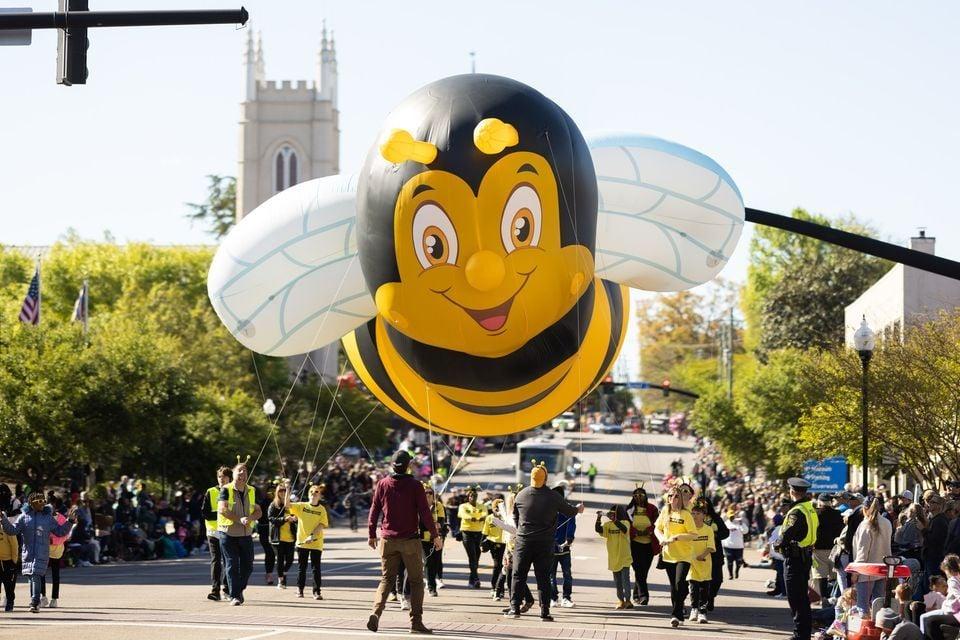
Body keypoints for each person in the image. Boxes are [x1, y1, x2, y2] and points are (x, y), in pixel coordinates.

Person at [367, 450, 439, 635]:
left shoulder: (383, 484)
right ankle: (416, 623)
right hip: (409, 541)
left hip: (387, 540)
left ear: (392, 465)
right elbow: (424, 512)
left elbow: (374, 510)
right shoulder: (415, 486)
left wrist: (371, 534)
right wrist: (435, 535)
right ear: (408, 465)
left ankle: (376, 613)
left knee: (386, 579)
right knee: (416, 582)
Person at [507, 461, 584, 622]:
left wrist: (521, 528)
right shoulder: (553, 496)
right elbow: (569, 512)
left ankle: (514, 608)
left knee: (518, 575)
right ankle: (544, 612)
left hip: (523, 542)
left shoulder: (521, 494)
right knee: (543, 577)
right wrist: (578, 509)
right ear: (545, 478)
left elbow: (515, 516)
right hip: (545, 543)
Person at [0, 492, 77, 613]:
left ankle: (35, 602)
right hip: (28, 553)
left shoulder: (47, 517)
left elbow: (60, 532)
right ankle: (34, 600)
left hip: (42, 553)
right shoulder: (23, 517)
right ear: (31, 503)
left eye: (43, 501)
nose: (41, 504)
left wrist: (69, 521)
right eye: (38, 502)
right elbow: (12, 531)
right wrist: (3, 519)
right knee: (31, 577)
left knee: (35, 574)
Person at [777, 477, 819, 640]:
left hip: (795, 558)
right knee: (802, 597)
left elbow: (787, 533)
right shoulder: (809, 507)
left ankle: (800, 634)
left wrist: (777, 544)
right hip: (804, 556)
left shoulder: (796, 510)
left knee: (796, 598)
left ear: (792, 491)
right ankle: (804, 633)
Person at [217, 457, 261, 606]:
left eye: (245, 470)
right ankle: (234, 595)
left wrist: (251, 517)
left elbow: (258, 511)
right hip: (228, 533)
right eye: (239, 470)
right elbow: (222, 509)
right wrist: (239, 519)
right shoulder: (226, 489)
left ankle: (237, 589)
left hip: (246, 534)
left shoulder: (252, 490)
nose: (242, 473)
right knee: (232, 564)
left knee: (248, 566)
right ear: (233, 474)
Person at [655, 482, 698, 628]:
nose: (674, 498)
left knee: (680, 583)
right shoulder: (665, 512)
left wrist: (678, 536)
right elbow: (657, 529)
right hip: (668, 555)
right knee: (674, 586)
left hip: (684, 555)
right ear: (668, 498)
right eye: (671, 496)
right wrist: (662, 539)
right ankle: (678, 613)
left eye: (677, 496)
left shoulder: (686, 514)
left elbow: (693, 534)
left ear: (680, 498)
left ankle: (676, 613)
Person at [286, 481, 329, 600]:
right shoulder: (302, 506)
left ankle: (317, 592)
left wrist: (312, 536)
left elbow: (322, 524)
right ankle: (300, 590)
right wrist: (288, 489)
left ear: (320, 496)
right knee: (302, 568)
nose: (313, 494)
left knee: (316, 568)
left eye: (316, 492)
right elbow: (287, 505)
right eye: (311, 492)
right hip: (302, 542)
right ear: (308, 494)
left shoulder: (322, 509)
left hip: (316, 543)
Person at [852, 497, 893, 612]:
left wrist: (855, 572)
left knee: (862, 607)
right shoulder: (887, 523)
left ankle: (865, 629)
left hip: (866, 571)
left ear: (864, 509)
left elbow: (862, 552)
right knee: (878, 606)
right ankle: (877, 628)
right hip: (884, 568)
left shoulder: (865, 525)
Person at [203, 466, 232, 601]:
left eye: (224, 477)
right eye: (220, 477)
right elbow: (206, 513)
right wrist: (221, 513)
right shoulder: (210, 491)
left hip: (228, 530)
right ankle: (215, 590)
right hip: (213, 531)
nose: (222, 479)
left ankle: (227, 588)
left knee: (228, 560)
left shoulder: (233, 491)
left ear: (229, 478)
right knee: (216, 561)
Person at [627, 486, 659, 606]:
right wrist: (636, 532)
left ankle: (636, 594)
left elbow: (657, 523)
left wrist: (648, 531)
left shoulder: (652, 508)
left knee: (643, 571)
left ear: (645, 496)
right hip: (634, 545)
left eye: (641, 495)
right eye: (636, 495)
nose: (638, 497)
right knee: (638, 570)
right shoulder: (629, 510)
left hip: (649, 545)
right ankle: (644, 596)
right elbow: (626, 524)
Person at [596, 504, 632, 610]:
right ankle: (621, 600)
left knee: (625, 580)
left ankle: (628, 600)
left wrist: (615, 520)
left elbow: (624, 529)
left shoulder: (625, 523)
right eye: (611, 514)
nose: (611, 516)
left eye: (614, 514)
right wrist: (598, 518)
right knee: (617, 581)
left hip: (624, 557)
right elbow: (598, 530)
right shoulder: (608, 525)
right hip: (613, 557)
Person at [687, 498, 716, 624]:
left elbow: (711, 546)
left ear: (704, 515)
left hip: (705, 564)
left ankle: (702, 613)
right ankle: (694, 609)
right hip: (691, 564)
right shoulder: (688, 529)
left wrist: (702, 555)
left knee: (704, 590)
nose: (695, 515)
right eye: (693, 513)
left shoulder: (708, 529)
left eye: (698, 513)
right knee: (693, 589)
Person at [918, 554, 960, 639]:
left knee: (923, 617)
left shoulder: (952, 580)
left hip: (953, 612)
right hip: (955, 612)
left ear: (948, 569)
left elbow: (958, 595)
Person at [814, 493, 844, 605]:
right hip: (834, 548)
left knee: (821, 574)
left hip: (819, 548)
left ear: (820, 502)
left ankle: (823, 598)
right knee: (833, 574)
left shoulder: (816, 513)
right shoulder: (837, 513)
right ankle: (833, 598)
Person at [550, 482, 576, 608]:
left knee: (567, 574)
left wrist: (568, 540)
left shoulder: (568, 509)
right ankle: (553, 598)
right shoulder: (548, 509)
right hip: (550, 548)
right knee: (551, 574)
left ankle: (566, 598)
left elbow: (571, 526)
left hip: (564, 548)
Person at [267, 482, 296, 590]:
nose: (283, 493)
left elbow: (297, 517)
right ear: (277, 492)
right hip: (277, 537)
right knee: (280, 559)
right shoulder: (273, 505)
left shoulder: (291, 505)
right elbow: (271, 519)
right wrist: (284, 519)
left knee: (290, 559)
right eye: (280, 491)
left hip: (290, 537)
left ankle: (283, 573)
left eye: (285, 490)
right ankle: (281, 581)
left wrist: (295, 519)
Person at [457, 487, 487, 588]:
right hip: (467, 532)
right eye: (470, 496)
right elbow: (463, 515)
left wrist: (477, 517)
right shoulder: (463, 506)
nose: (472, 497)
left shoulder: (482, 506)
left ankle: (472, 579)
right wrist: (473, 517)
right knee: (472, 555)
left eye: (474, 496)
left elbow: (484, 514)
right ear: (468, 497)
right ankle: (476, 578)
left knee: (477, 556)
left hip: (479, 533)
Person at [421, 484, 447, 598]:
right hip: (423, 539)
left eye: (430, 493)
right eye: (425, 493)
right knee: (428, 562)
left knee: (436, 562)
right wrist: (432, 524)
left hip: (437, 538)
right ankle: (432, 587)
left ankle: (431, 580)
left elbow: (440, 522)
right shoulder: (419, 506)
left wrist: (436, 526)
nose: (428, 496)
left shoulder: (439, 506)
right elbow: (420, 523)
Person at [482, 498, 507, 601]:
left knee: (505, 567)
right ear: (492, 508)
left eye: (500, 507)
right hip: (493, 543)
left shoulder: (506, 518)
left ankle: (500, 589)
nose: (497, 509)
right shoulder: (489, 518)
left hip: (506, 544)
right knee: (497, 565)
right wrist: (482, 544)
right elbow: (485, 532)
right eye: (496, 507)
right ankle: (494, 587)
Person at [256, 486, 276, 586]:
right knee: (270, 552)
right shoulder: (263, 502)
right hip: (264, 530)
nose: (271, 493)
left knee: (281, 553)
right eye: (269, 491)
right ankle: (269, 574)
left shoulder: (280, 503)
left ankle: (282, 574)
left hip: (277, 531)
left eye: (273, 491)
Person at [722, 508, 748, 579]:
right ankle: (730, 574)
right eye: (730, 516)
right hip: (728, 546)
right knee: (729, 561)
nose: (732, 518)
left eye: (733, 516)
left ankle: (736, 572)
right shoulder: (725, 524)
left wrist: (741, 523)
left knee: (739, 562)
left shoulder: (739, 523)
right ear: (727, 516)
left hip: (739, 546)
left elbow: (745, 531)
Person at [0, 514, 17, 611]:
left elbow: (14, 545)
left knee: (8, 584)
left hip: (8, 561)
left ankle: (10, 602)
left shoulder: (7, 528)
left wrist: (14, 561)